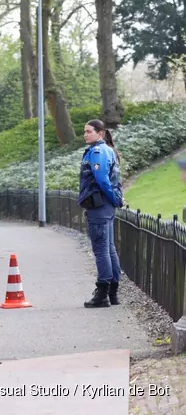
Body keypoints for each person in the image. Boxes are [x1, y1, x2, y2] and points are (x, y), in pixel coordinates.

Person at [77, 119, 124, 308]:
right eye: (85, 131)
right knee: (109, 248)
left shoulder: (98, 151)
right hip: (105, 206)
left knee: (101, 250)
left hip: (99, 206)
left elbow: (102, 179)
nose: (85, 134)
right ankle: (113, 293)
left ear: (100, 133)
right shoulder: (106, 150)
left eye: (89, 131)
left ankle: (102, 293)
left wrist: (113, 198)